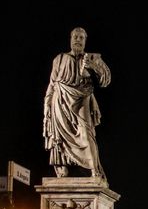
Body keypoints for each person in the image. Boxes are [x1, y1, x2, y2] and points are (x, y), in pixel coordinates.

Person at [43, 27, 112, 180]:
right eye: (75, 36)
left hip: (82, 98)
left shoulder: (90, 58)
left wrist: (93, 66)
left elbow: (105, 80)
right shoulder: (59, 59)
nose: (78, 40)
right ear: (70, 38)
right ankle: (63, 169)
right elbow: (52, 83)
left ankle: (95, 171)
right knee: (60, 135)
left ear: (85, 41)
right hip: (60, 101)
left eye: (81, 37)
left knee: (87, 134)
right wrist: (47, 104)